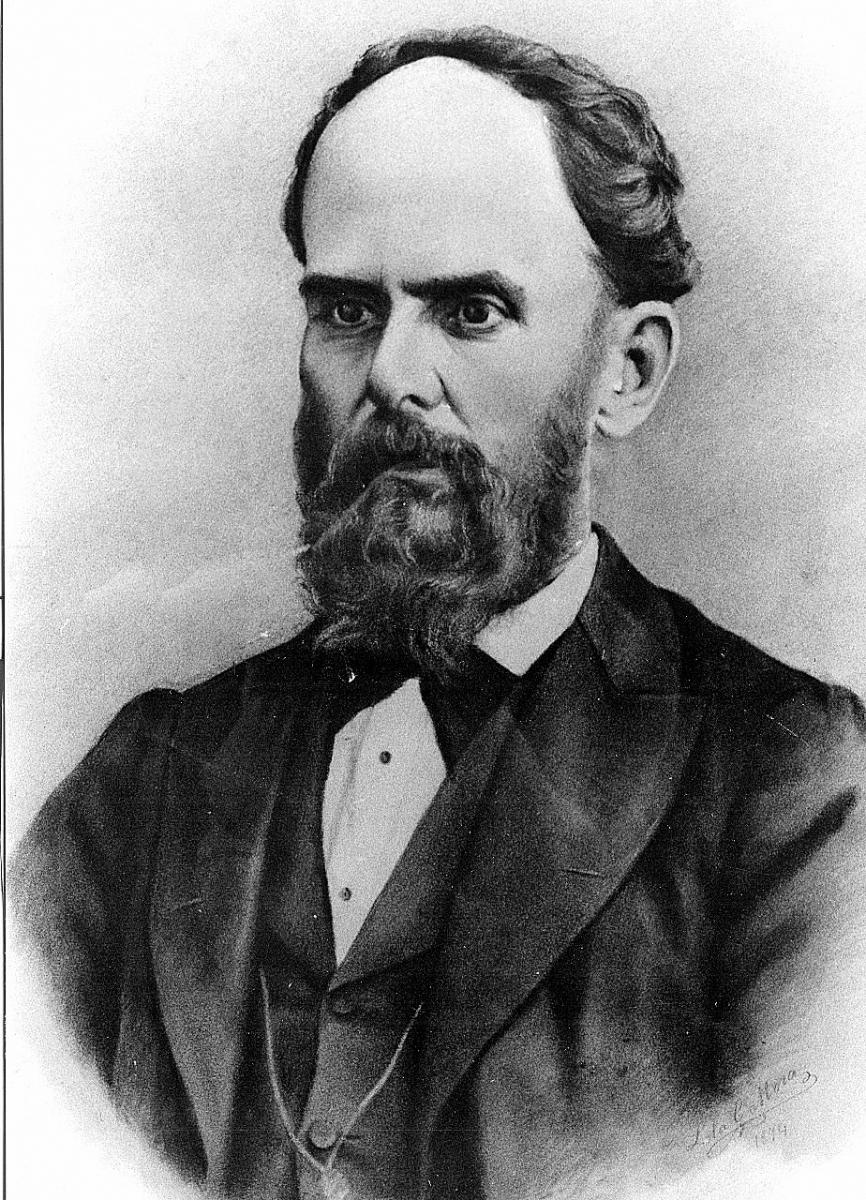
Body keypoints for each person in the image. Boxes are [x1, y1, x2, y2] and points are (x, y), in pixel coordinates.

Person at [12, 25, 866, 1200]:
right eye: (346, 312)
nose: (389, 378)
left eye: (468, 312)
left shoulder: (792, 788)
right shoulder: (139, 787)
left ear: (624, 371)